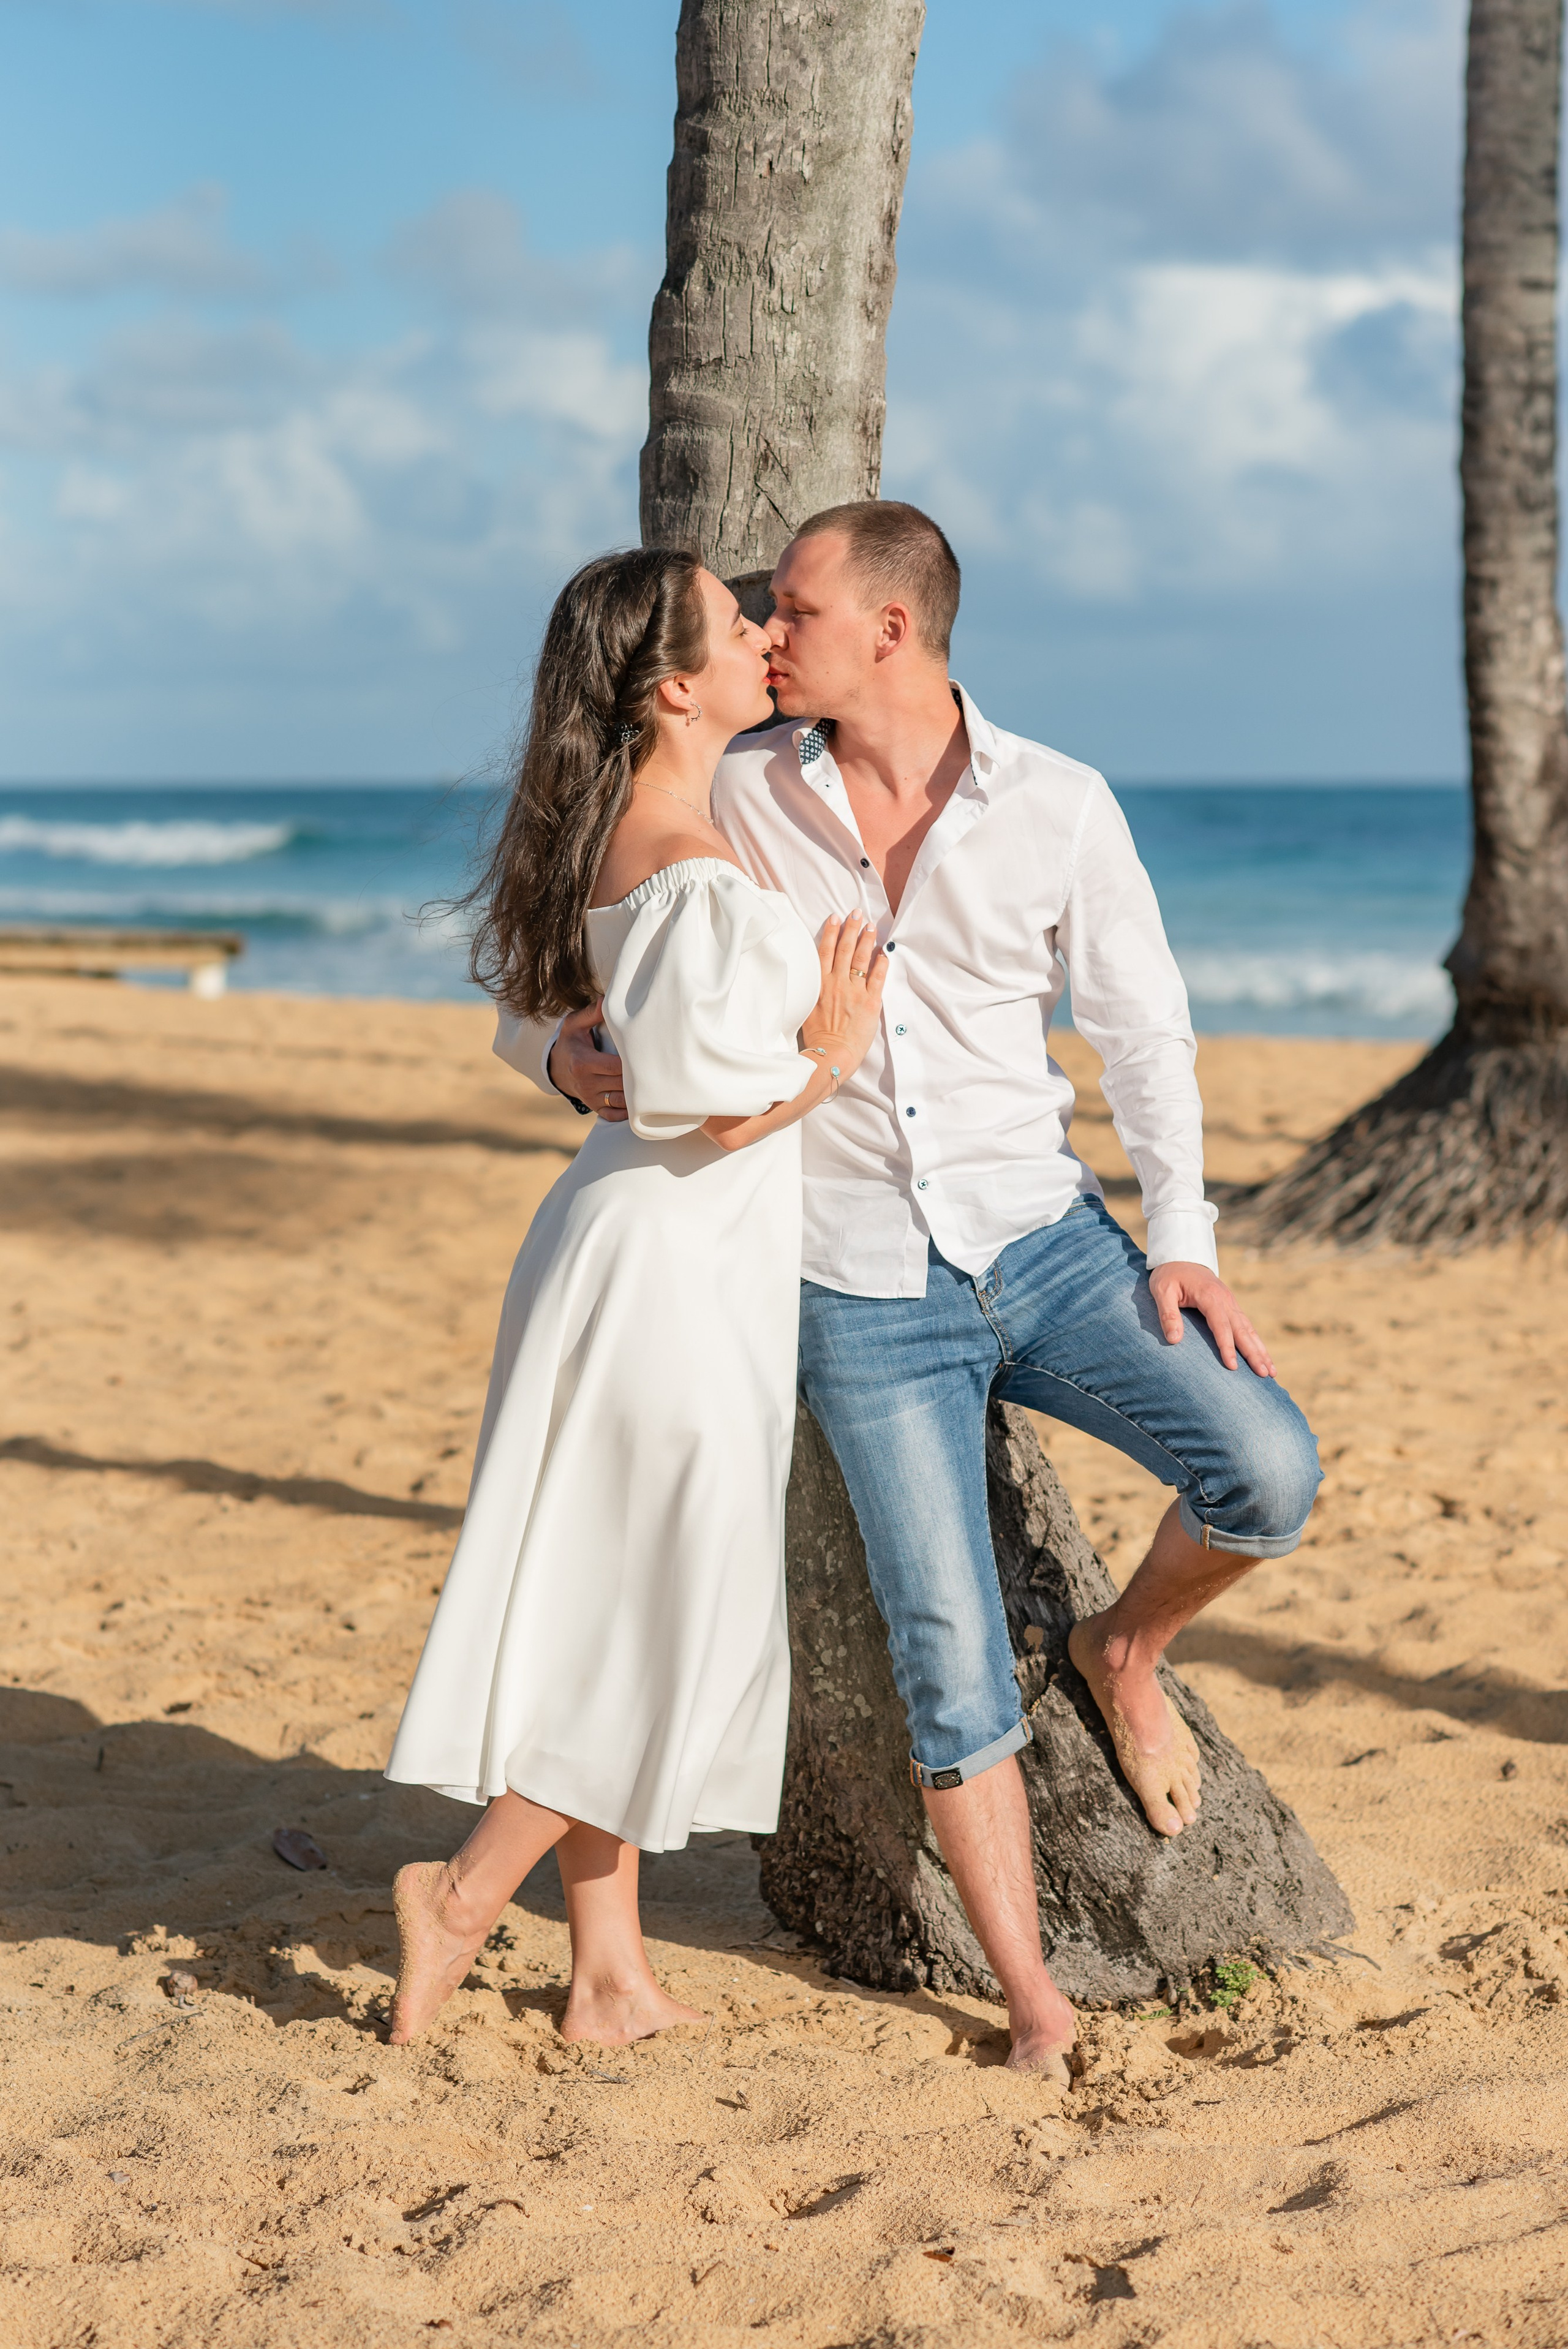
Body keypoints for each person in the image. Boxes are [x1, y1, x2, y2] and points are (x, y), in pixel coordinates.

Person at [535, 501, 1322, 2076]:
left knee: (1268, 1470)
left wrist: (1181, 1239)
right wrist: (555, 1055)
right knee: (945, 1650)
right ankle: (1032, 2001)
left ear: (890, 629)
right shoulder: (739, 784)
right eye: (755, 615)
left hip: (1044, 1241)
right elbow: (564, 949)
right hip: (853, 1288)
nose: (768, 629)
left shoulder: (1060, 803)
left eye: (797, 610)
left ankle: (1127, 1651)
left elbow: (1144, 1035)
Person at [384, 546, 886, 2049]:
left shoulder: (645, 818)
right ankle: (464, 1896)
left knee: (617, 1587)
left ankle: (607, 1972)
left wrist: (565, 1059)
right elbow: (704, 1112)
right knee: (655, 1607)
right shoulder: (679, 853)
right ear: (676, 685)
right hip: (668, 1261)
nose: (762, 642)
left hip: (656, 1250)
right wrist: (835, 1048)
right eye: (741, 629)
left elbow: (561, 1028)